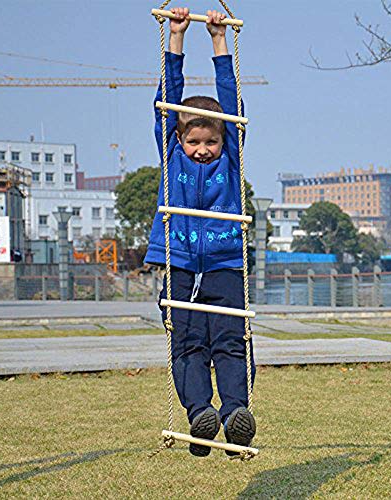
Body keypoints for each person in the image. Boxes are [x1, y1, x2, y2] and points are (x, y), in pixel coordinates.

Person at [145, 7, 256, 457]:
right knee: (189, 346)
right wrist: (176, 37)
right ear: (179, 138)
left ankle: (235, 415)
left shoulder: (230, 160)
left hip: (226, 265)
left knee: (230, 345)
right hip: (181, 265)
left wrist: (217, 42)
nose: (204, 149)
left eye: (211, 141)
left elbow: (231, 106)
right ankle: (200, 416)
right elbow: (168, 101)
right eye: (195, 141)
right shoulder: (172, 158)